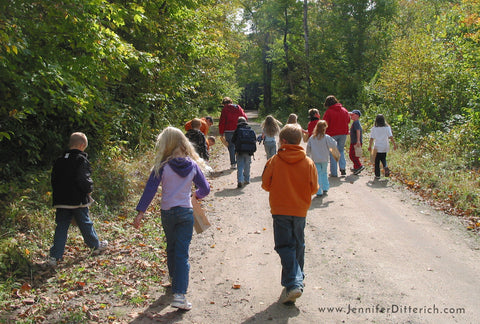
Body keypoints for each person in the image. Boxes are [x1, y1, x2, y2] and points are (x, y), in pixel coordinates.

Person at [134, 127, 210, 311]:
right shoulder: (192, 165)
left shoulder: (161, 166)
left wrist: (140, 213)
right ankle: (179, 295)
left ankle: (173, 279)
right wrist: (196, 195)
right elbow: (205, 188)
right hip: (185, 212)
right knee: (182, 252)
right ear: (183, 143)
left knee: (171, 246)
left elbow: (150, 190)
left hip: (167, 213)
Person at [261, 124, 319, 305]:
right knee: (298, 244)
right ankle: (296, 283)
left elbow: (265, 184)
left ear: (283, 141)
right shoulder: (308, 162)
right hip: (300, 210)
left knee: (284, 246)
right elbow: (314, 188)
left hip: (280, 210)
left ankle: (294, 282)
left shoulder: (274, 161)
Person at [49, 132, 108, 266]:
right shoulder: (81, 160)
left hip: (61, 200)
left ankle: (55, 256)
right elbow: (83, 179)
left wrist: (57, 195)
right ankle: (95, 245)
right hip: (77, 199)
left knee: (61, 227)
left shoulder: (59, 160)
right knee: (85, 223)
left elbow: (54, 179)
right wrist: (88, 190)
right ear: (82, 145)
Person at [306, 120, 338, 197]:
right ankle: (325, 187)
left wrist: (308, 155)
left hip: (315, 159)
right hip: (324, 158)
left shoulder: (312, 138)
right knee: (324, 172)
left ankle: (318, 190)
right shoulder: (326, 137)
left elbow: (308, 148)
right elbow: (334, 144)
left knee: (318, 174)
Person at [322, 95, 350, 177]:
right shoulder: (344, 110)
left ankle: (334, 172)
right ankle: (343, 168)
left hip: (332, 134)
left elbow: (325, 124)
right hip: (343, 133)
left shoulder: (328, 112)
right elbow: (348, 120)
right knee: (341, 150)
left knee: (333, 152)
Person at [218, 97, 248, 169]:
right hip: (238, 129)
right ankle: (240, 161)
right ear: (231, 102)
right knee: (239, 145)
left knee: (231, 146)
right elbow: (245, 117)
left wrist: (221, 132)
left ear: (224, 103)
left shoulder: (224, 109)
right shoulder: (238, 107)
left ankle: (233, 163)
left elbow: (222, 121)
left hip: (228, 130)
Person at [368, 114, 397, 179]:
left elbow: (372, 138)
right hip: (385, 146)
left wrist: (369, 146)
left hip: (377, 146)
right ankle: (385, 166)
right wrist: (394, 144)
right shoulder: (387, 128)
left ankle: (377, 175)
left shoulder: (374, 128)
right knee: (383, 158)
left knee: (377, 161)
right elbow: (391, 136)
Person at [231, 117, 256, 188]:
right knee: (247, 165)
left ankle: (240, 180)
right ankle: (247, 179)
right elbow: (254, 139)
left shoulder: (237, 130)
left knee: (240, 166)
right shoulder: (250, 130)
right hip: (249, 152)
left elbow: (233, 140)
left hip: (239, 151)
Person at [349, 110, 365, 175]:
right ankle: (356, 168)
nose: (351, 116)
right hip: (354, 141)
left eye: (353, 114)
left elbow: (358, 131)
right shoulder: (355, 122)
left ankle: (359, 166)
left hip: (356, 142)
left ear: (357, 116)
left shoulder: (356, 123)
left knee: (353, 155)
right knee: (354, 155)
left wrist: (358, 140)